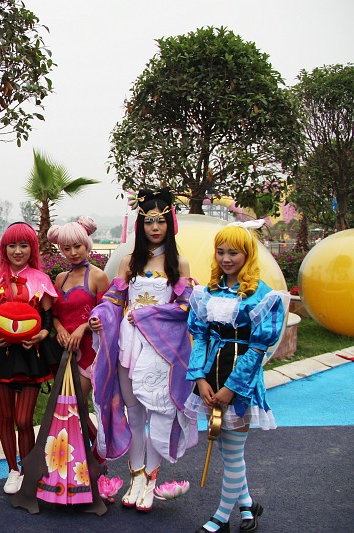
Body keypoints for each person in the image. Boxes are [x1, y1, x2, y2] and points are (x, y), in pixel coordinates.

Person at [89, 188, 197, 512]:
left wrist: (149, 314)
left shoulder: (179, 263)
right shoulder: (128, 261)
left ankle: (151, 478)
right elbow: (113, 301)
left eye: (160, 221)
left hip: (161, 349)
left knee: (158, 416)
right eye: (149, 221)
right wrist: (99, 317)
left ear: (170, 223)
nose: (154, 227)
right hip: (129, 345)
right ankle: (136, 477)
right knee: (134, 414)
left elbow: (185, 307)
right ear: (140, 224)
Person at [186, 223, 287, 533]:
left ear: (248, 255)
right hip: (210, 379)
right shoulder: (207, 292)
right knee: (226, 448)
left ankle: (221, 518)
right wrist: (200, 379)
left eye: (233, 253)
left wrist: (231, 388)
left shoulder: (263, 296)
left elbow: (257, 350)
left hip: (241, 385)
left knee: (232, 452)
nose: (226, 259)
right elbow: (200, 338)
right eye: (221, 252)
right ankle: (246, 504)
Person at [0, 222, 60, 495]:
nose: (17, 251)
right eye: (12, 245)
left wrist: (43, 334)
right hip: (2, 353)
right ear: (4, 248)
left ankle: (29, 470)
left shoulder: (41, 279)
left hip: (32, 354)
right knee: (6, 417)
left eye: (23, 245)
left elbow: (47, 318)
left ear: (32, 249)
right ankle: (13, 471)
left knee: (23, 419)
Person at [48, 216, 109, 453]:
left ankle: (91, 455)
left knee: (76, 404)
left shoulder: (98, 276)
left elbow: (107, 314)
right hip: (64, 350)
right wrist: (60, 329)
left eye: (77, 246)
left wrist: (83, 327)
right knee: (65, 406)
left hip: (89, 351)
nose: (73, 253)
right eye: (66, 248)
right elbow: (53, 314)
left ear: (87, 245)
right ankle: (82, 456)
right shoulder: (60, 278)